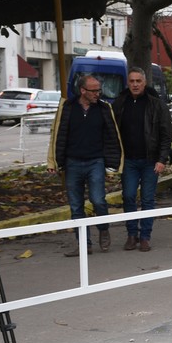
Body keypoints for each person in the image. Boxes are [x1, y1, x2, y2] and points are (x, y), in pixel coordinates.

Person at [47, 74, 122, 257]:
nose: (98, 93)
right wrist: (53, 161)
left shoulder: (104, 108)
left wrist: (113, 162)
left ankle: (103, 229)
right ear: (82, 90)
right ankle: (84, 244)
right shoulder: (68, 108)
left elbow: (113, 136)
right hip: (73, 162)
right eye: (94, 90)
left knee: (98, 200)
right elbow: (57, 134)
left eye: (99, 90)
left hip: (95, 161)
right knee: (76, 206)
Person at [112, 67, 172, 252]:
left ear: (145, 83)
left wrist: (162, 159)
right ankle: (131, 235)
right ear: (127, 83)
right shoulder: (120, 103)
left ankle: (145, 236)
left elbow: (165, 134)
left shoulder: (156, 104)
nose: (135, 84)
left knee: (147, 200)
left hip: (150, 161)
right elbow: (112, 132)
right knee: (128, 196)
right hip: (128, 160)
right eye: (132, 81)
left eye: (139, 81)